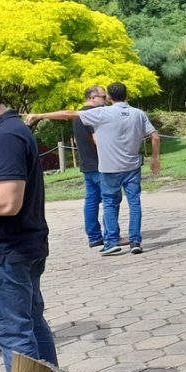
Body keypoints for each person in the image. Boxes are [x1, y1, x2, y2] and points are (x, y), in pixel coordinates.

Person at [26, 82, 160, 256]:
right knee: (134, 202)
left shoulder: (102, 113)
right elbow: (155, 136)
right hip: (132, 166)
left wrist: (40, 115)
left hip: (109, 168)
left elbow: (68, 114)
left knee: (109, 203)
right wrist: (155, 158)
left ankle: (111, 241)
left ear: (109, 97)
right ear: (126, 95)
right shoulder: (138, 113)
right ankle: (135, 240)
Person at [0, 94, 58, 372]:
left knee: (14, 332)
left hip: (9, 251)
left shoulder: (5, 136)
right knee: (31, 324)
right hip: (24, 246)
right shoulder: (13, 129)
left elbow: (8, 201)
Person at [74, 85, 108, 249]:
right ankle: (111, 235)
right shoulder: (93, 114)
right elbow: (97, 139)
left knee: (91, 200)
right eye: (103, 97)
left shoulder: (78, 115)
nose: (106, 100)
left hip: (86, 162)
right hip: (99, 163)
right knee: (110, 199)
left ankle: (94, 236)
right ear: (93, 98)